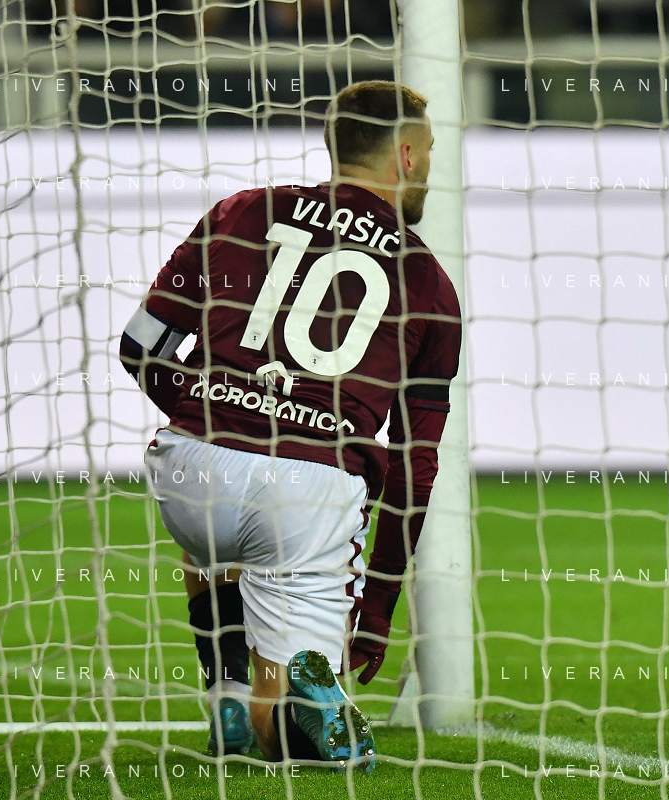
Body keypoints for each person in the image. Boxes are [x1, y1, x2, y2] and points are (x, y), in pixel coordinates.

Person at [120, 79, 461, 770]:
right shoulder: (428, 282)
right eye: (428, 151)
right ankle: (290, 709)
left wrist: (214, 411)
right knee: (296, 721)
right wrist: (377, 607)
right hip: (308, 493)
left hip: (191, 471)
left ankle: (225, 685)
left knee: (218, 539)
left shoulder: (241, 211)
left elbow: (140, 346)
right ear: (405, 155)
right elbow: (413, 467)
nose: (429, 165)